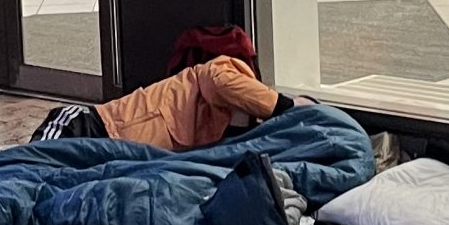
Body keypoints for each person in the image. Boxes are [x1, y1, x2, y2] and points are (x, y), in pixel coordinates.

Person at [31, 53, 284, 150]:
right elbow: (222, 81)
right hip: (91, 125)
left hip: (113, 155)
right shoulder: (219, 72)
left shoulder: (221, 127)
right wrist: (285, 104)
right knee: (28, 166)